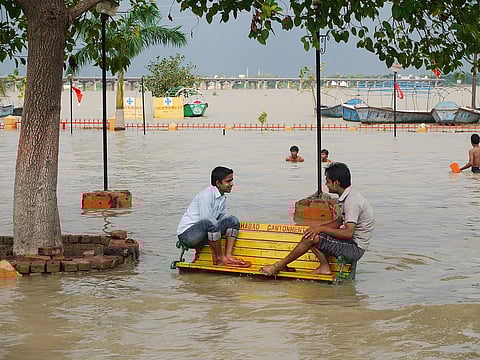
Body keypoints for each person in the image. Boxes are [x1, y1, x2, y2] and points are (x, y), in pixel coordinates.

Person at [260, 162, 374, 276]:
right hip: (350, 243)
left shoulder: (352, 202)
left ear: (336, 183)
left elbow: (348, 233)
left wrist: (320, 230)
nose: (326, 184)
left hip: (354, 248)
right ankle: (324, 267)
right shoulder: (346, 197)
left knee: (311, 237)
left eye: (328, 181)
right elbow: (339, 221)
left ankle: (277, 266)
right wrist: (316, 228)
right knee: (311, 232)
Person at [176, 166, 250, 267]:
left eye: (232, 181)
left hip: (206, 231)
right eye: (228, 181)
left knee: (233, 221)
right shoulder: (206, 195)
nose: (232, 184)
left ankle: (228, 256)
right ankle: (219, 258)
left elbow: (221, 220)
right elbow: (207, 221)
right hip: (188, 236)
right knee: (210, 221)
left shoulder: (222, 197)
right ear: (218, 183)